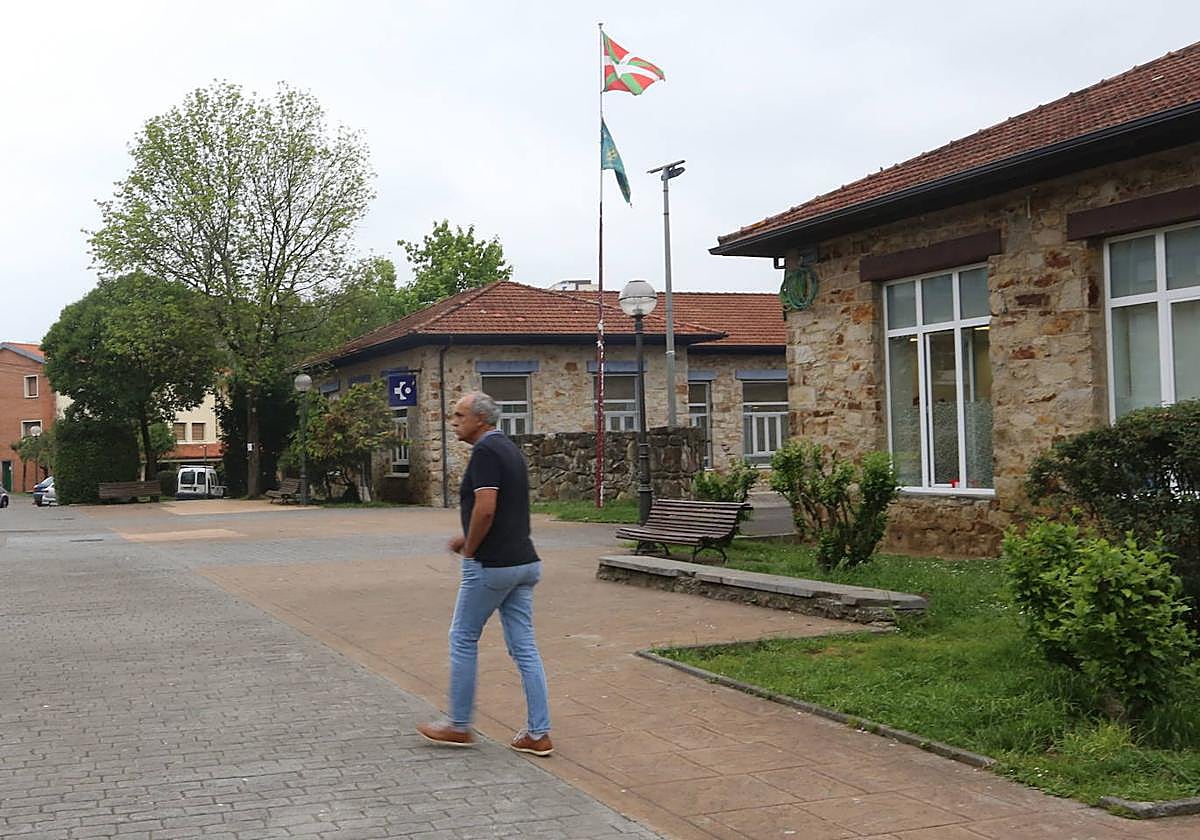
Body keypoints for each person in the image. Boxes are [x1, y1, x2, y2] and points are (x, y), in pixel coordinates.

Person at [417, 391, 553, 756]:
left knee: (462, 637)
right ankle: (538, 733)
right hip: (524, 561)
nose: (454, 422)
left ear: (481, 419)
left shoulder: (485, 452)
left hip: (493, 566)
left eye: (460, 415)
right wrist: (467, 537)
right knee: (525, 648)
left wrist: (472, 547)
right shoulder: (508, 448)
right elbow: (504, 509)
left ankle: (458, 726)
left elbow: (487, 507)